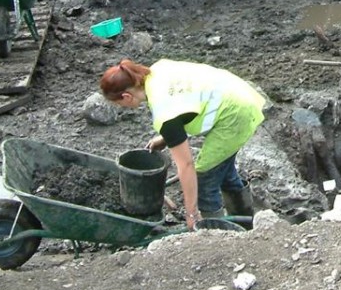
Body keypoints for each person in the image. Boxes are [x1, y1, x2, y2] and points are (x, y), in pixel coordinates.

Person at [99, 58, 269, 230]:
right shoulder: (157, 70)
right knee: (222, 167)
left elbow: (186, 165)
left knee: (205, 178)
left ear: (126, 96)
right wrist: (166, 138)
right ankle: (246, 222)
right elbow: (184, 100)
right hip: (238, 92)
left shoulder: (165, 115)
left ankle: (217, 234)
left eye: (118, 103)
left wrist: (191, 213)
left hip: (236, 114)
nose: (122, 107)